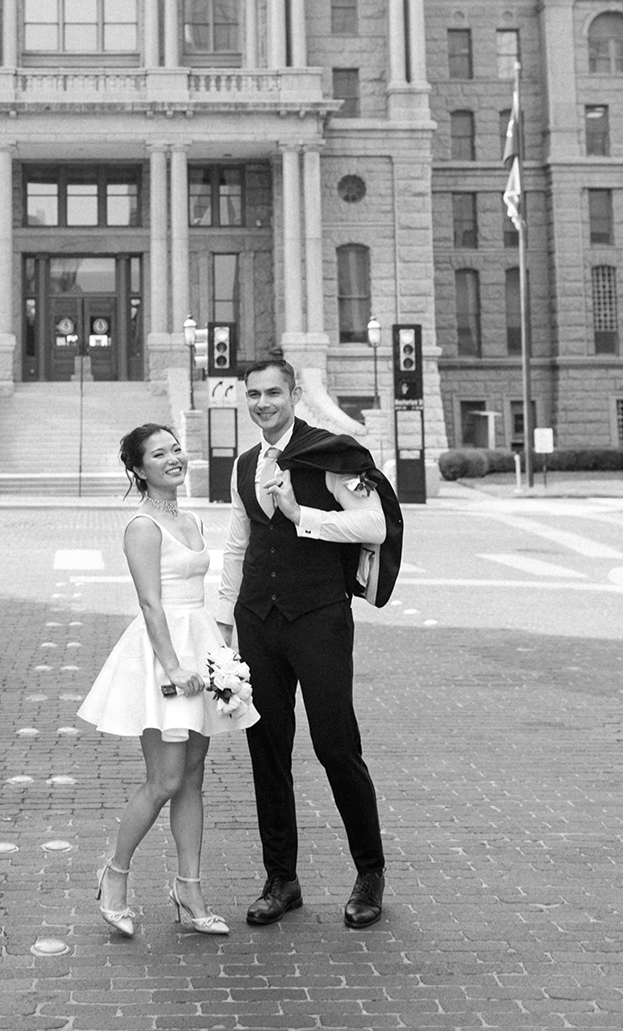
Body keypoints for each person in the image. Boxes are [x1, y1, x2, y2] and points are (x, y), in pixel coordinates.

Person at [215, 359, 395, 931]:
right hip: (258, 619)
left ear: (294, 393)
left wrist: (301, 515)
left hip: (318, 616)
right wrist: (224, 621)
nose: (263, 402)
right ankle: (281, 880)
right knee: (266, 747)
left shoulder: (333, 454)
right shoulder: (245, 465)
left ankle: (369, 874)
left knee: (335, 744)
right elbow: (237, 544)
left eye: (273, 392)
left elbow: (374, 526)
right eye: (254, 394)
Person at [78, 422, 258, 938]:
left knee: (194, 779)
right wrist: (173, 667)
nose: (173, 458)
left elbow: (204, 592)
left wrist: (219, 652)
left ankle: (189, 887)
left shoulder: (192, 518)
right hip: (163, 655)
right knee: (165, 780)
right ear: (138, 469)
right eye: (160, 454)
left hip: (200, 646)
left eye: (176, 449)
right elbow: (151, 603)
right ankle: (114, 875)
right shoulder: (141, 526)